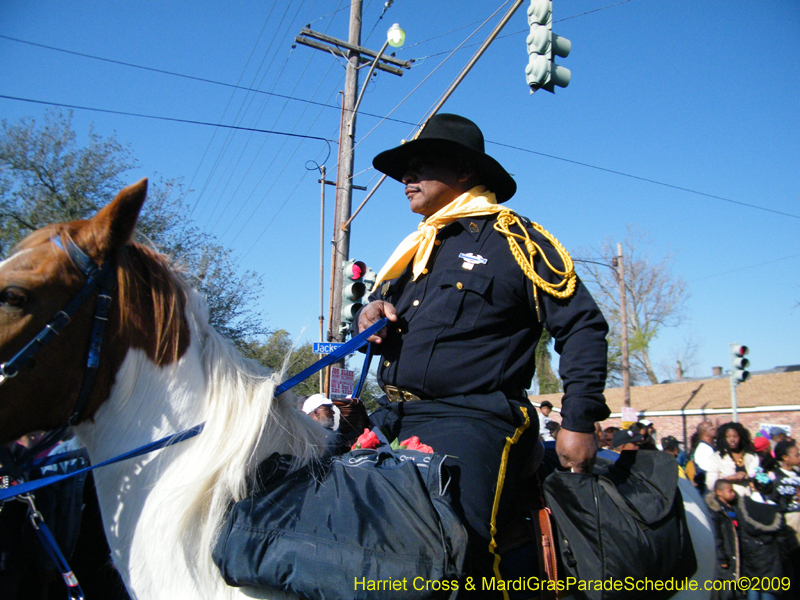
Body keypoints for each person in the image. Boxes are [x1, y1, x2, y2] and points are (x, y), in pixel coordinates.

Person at [354, 113, 609, 591]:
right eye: (403, 169)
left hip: (475, 418)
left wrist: (577, 420)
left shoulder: (517, 241)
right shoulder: (412, 254)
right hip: (390, 415)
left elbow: (582, 326)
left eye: (419, 165)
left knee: (456, 548)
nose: (405, 178)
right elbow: (376, 321)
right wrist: (369, 317)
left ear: (465, 171)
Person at [706, 422, 760, 498]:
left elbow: (758, 477)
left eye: (735, 436)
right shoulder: (717, 458)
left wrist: (748, 477)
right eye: (728, 437)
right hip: (730, 501)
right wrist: (729, 479)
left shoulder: (751, 456)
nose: (732, 440)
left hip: (750, 498)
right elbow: (710, 485)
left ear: (741, 437)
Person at [771, 439, 800, 544]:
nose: (799, 457)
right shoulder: (776, 477)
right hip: (787, 519)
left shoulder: (797, 475)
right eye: (796, 455)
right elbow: (774, 499)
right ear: (785, 458)